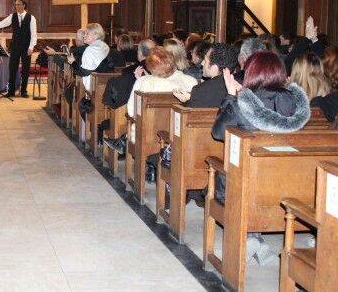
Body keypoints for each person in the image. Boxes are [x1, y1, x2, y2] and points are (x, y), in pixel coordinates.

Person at [210, 51, 310, 265]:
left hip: (247, 186)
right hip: (293, 185)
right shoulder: (297, 104)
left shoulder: (242, 103)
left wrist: (231, 97)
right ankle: (254, 240)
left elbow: (218, 132)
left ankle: (251, 238)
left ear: (251, 73)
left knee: (231, 173)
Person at [0, 0, 37, 98]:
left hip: (26, 47)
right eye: (16, 5)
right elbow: (0, 24)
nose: (17, 6)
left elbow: (34, 34)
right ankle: (11, 91)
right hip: (15, 46)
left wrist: (31, 47)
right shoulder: (12, 16)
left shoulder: (31, 18)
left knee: (25, 69)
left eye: (19, 4)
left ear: (24, 5)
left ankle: (24, 91)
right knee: (12, 68)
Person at [126, 46, 197, 116]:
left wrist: (142, 80)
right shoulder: (190, 81)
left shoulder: (143, 82)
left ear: (150, 66)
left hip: (149, 123)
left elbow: (131, 112)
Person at [174, 43, 238, 108]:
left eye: (205, 60)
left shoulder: (200, 90)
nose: (202, 63)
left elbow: (193, 112)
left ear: (214, 67)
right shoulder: (240, 88)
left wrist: (187, 101)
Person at [66, 23, 111, 93]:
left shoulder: (89, 49)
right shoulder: (105, 46)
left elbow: (84, 72)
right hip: (105, 83)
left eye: (87, 33)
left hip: (92, 87)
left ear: (96, 35)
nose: (84, 36)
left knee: (68, 91)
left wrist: (73, 62)